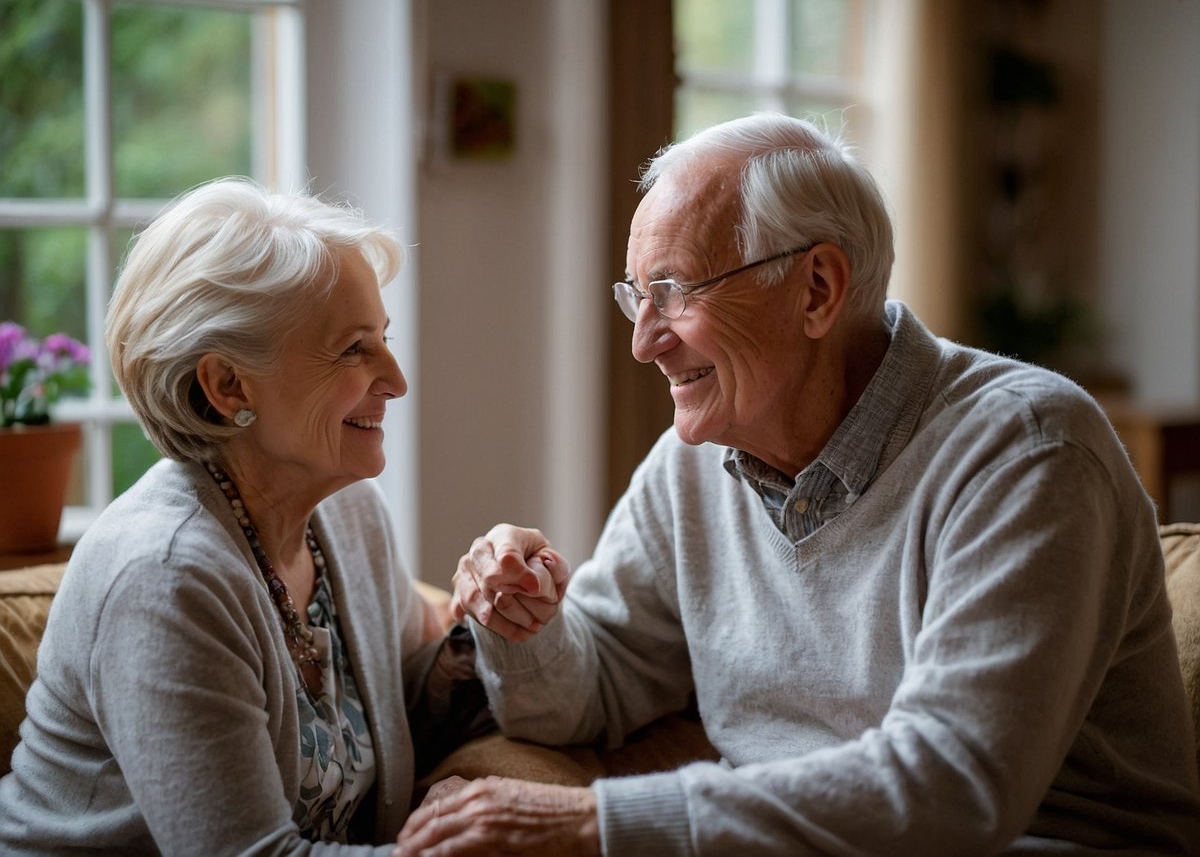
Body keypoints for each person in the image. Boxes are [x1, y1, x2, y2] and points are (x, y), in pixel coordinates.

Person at [396, 114, 1200, 855]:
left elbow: (954, 786)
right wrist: (526, 626)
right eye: (637, 298)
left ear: (816, 290)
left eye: (674, 292)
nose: (644, 342)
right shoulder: (694, 464)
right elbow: (593, 691)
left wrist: (598, 822)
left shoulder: (1027, 453)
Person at [0, 178, 488, 854]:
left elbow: (399, 709)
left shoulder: (349, 516)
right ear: (228, 386)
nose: (396, 378)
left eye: (384, 337)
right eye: (353, 348)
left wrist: (495, 622)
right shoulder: (165, 579)